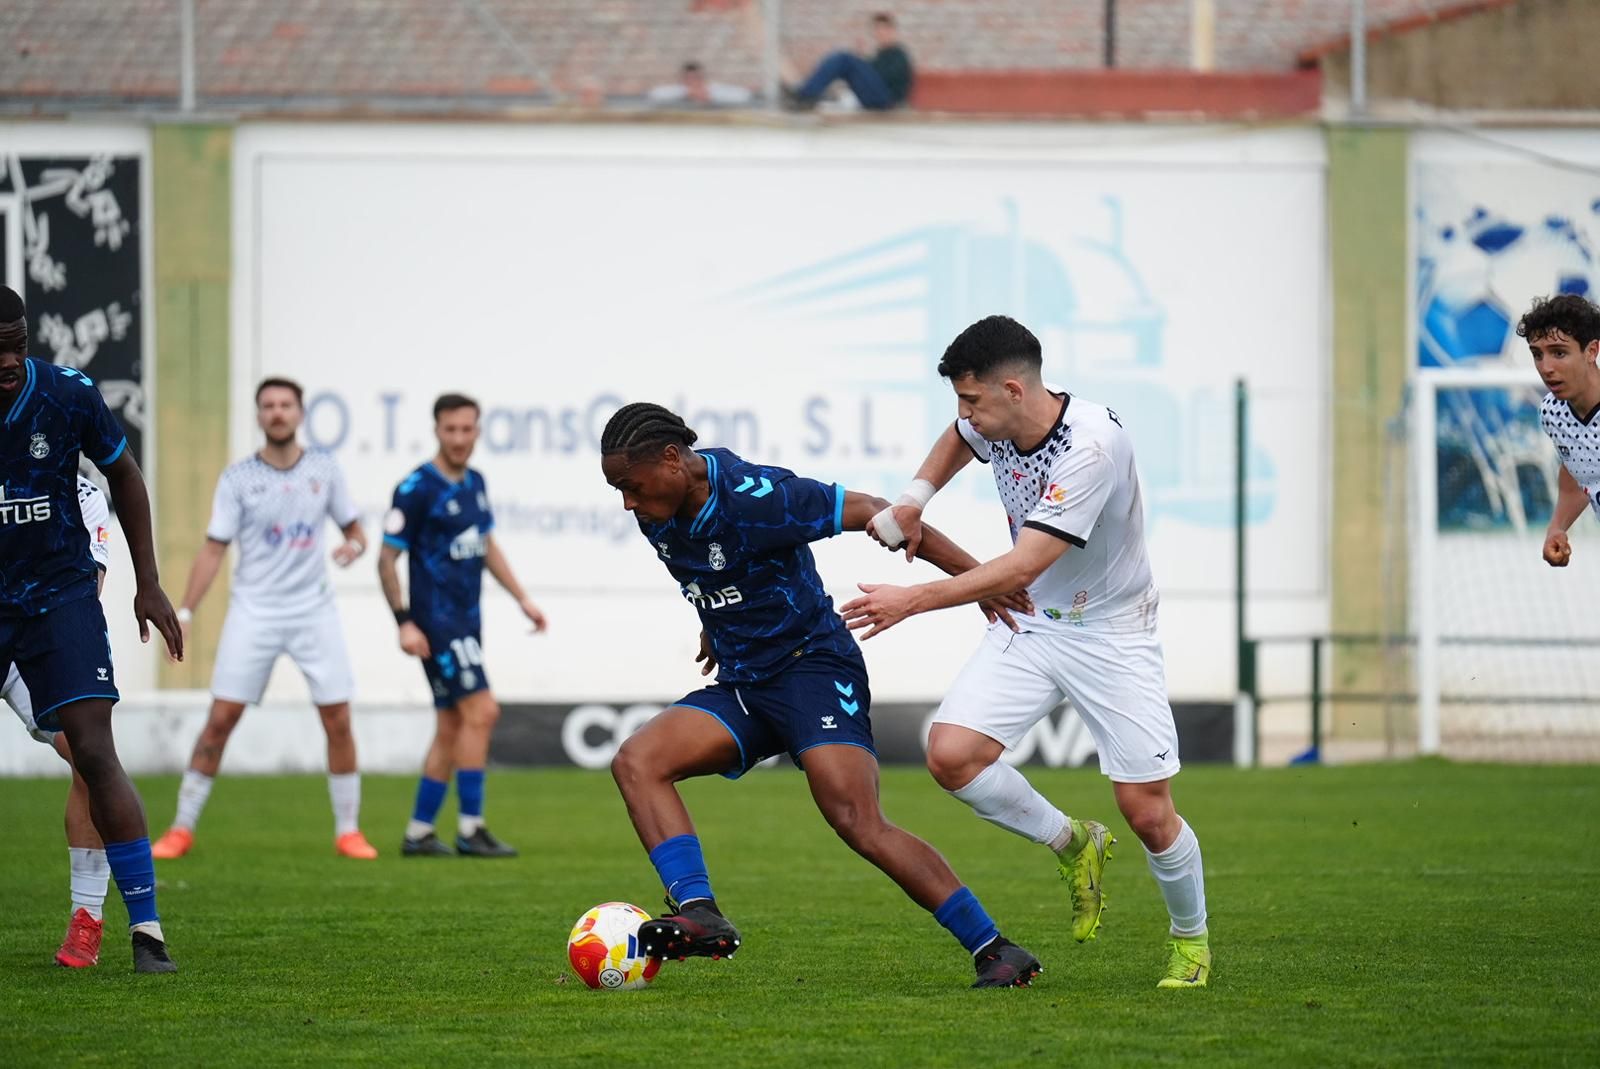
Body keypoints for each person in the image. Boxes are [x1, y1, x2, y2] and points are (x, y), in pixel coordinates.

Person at [599, 401, 1042, 988]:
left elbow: (880, 515)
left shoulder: (759, 497)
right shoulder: (658, 506)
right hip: (744, 684)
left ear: (672, 459)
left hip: (813, 671)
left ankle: (996, 949)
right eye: (617, 490)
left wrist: (979, 582)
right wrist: (715, 617)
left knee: (855, 817)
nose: (627, 502)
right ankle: (700, 915)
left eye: (630, 486)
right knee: (638, 761)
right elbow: (713, 567)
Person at [840, 315, 1213, 989]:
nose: (965, 416)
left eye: (973, 401)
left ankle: (1191, 942)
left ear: (1013, 389)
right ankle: (1073, 841)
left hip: (1111, 630)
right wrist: (914, 500)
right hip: (1035, 622)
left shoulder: (1092, 448)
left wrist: (914, 598)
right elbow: (956, 442)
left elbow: (1023, 564)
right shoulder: (997, 422)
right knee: (951, 755)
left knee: (1148, 810)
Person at [0, 283, 182, 973]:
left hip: (55, 603)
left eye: (16, 344)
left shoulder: (67, 398)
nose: (8, 360)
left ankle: (137, 927)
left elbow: (125, 476)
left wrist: (150, 583)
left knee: (93, 753)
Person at [150, 377, 377, 861]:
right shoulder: (237, 479)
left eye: (285, 405)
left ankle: (349, 830)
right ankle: (181, 827)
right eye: (268, 406)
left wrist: (352, 546)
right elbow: (214, 550)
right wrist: (185, 611)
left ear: (299, 413)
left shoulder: (324, 468)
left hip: (313, 609)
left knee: (337, 716)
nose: (277, 413)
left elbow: (356, 529)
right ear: (258, 416)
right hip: (254, 610)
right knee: (221, 719)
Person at [379, 393, 547, 858]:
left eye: (466, 429)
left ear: (477, 431)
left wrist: (522, 600)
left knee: (452, 724)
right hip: (437, 625)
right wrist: (404, 622)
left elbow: (486, 543)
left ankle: (418, 832)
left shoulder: (475, 482)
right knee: (483, 711)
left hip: (468, 623)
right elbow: (386, 560)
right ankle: (471, 829)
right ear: (436, 430)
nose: (458, 438)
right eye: (450, 429)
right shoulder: (416, 488)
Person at [3, 474, 115, 967]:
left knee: (89, 759)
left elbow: (90, 581)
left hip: (36, 641)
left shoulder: (85, 492)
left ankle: (86, 919)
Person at [1526, 294, 1600, 568]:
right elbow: (1578, 470)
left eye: (1559, 353)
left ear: (1591, 351)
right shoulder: (1553, 413)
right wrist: (1557, 527)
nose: (1546, 367)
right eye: (1537, 355)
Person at [784, 12, 914, 112]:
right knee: (843, 60)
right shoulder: (879, 55)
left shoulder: (899, 55)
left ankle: (805, 94)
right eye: (877, 30)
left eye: (883, 29)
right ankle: (806, 95)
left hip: (887, 100)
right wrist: (862, 65)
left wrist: (861, 65)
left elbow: (885, 78)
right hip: (874, 97)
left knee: (845, 58)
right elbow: (871, 75)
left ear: (892, 31)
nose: (880, 33)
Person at [647, 61, 754, 108]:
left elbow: (743, 95)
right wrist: (687, 93)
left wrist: (710, 95)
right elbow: (655, 94)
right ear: (683, 80)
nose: (693, 82)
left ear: (702, 78)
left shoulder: (712, 89)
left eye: (696, 78)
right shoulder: (679, 91)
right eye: (689, 79)